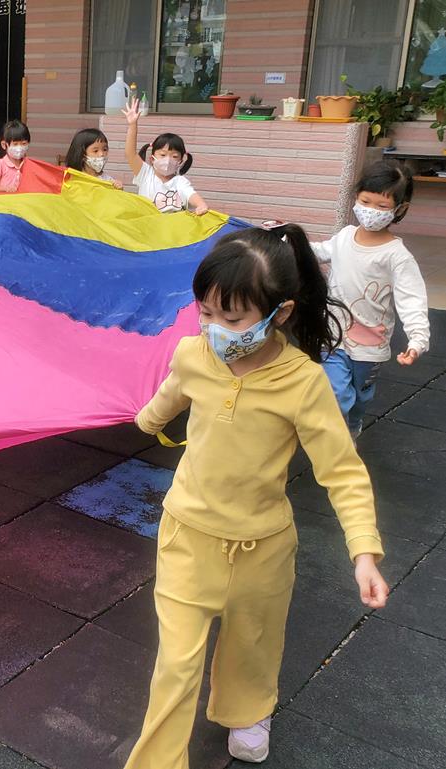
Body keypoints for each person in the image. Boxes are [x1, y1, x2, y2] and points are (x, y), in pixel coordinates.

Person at [125, 224, 388, 768]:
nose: (215, 329)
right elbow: (172, 393)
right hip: (188, 536)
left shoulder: (303, 383)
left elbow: (342, 470)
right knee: (175, 664)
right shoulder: (194, 353)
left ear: (280, 313)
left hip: (262, 548)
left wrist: (364, 550)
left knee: (253, 643)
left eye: (233, 318)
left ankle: (246, 710)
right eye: (206, 313)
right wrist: (147, 419)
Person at [311, 161, 429, 440]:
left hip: (370, 344)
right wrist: (289, 240)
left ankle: (354, 422)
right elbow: (319, 251)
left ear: (399, 209)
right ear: (356, 197)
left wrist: (418, 340)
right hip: (334, 334)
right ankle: (338, 436)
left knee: (360, 395)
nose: (371, 210)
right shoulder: (344, 236)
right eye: (365, 202)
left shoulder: (396, 256)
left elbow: (412, 300)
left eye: (381, 206)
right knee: (336, 391)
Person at [121, 98, 208, 215]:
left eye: (174, 156)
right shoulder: (145, 174)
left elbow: (191, 195)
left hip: (172, 226)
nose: (168, 160)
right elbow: (130, 154)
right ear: (152, 159)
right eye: (162, 155)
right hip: (147, 224)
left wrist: (201, 205)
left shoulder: (180, 182)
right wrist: (132, 125)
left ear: (180, 161)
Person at [0, 120, 31, 192]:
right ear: (4, 145)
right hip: (4, 199)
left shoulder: (28, 164)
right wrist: (6, 189)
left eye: (24, 143)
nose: (19, 147)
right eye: (15, 144)